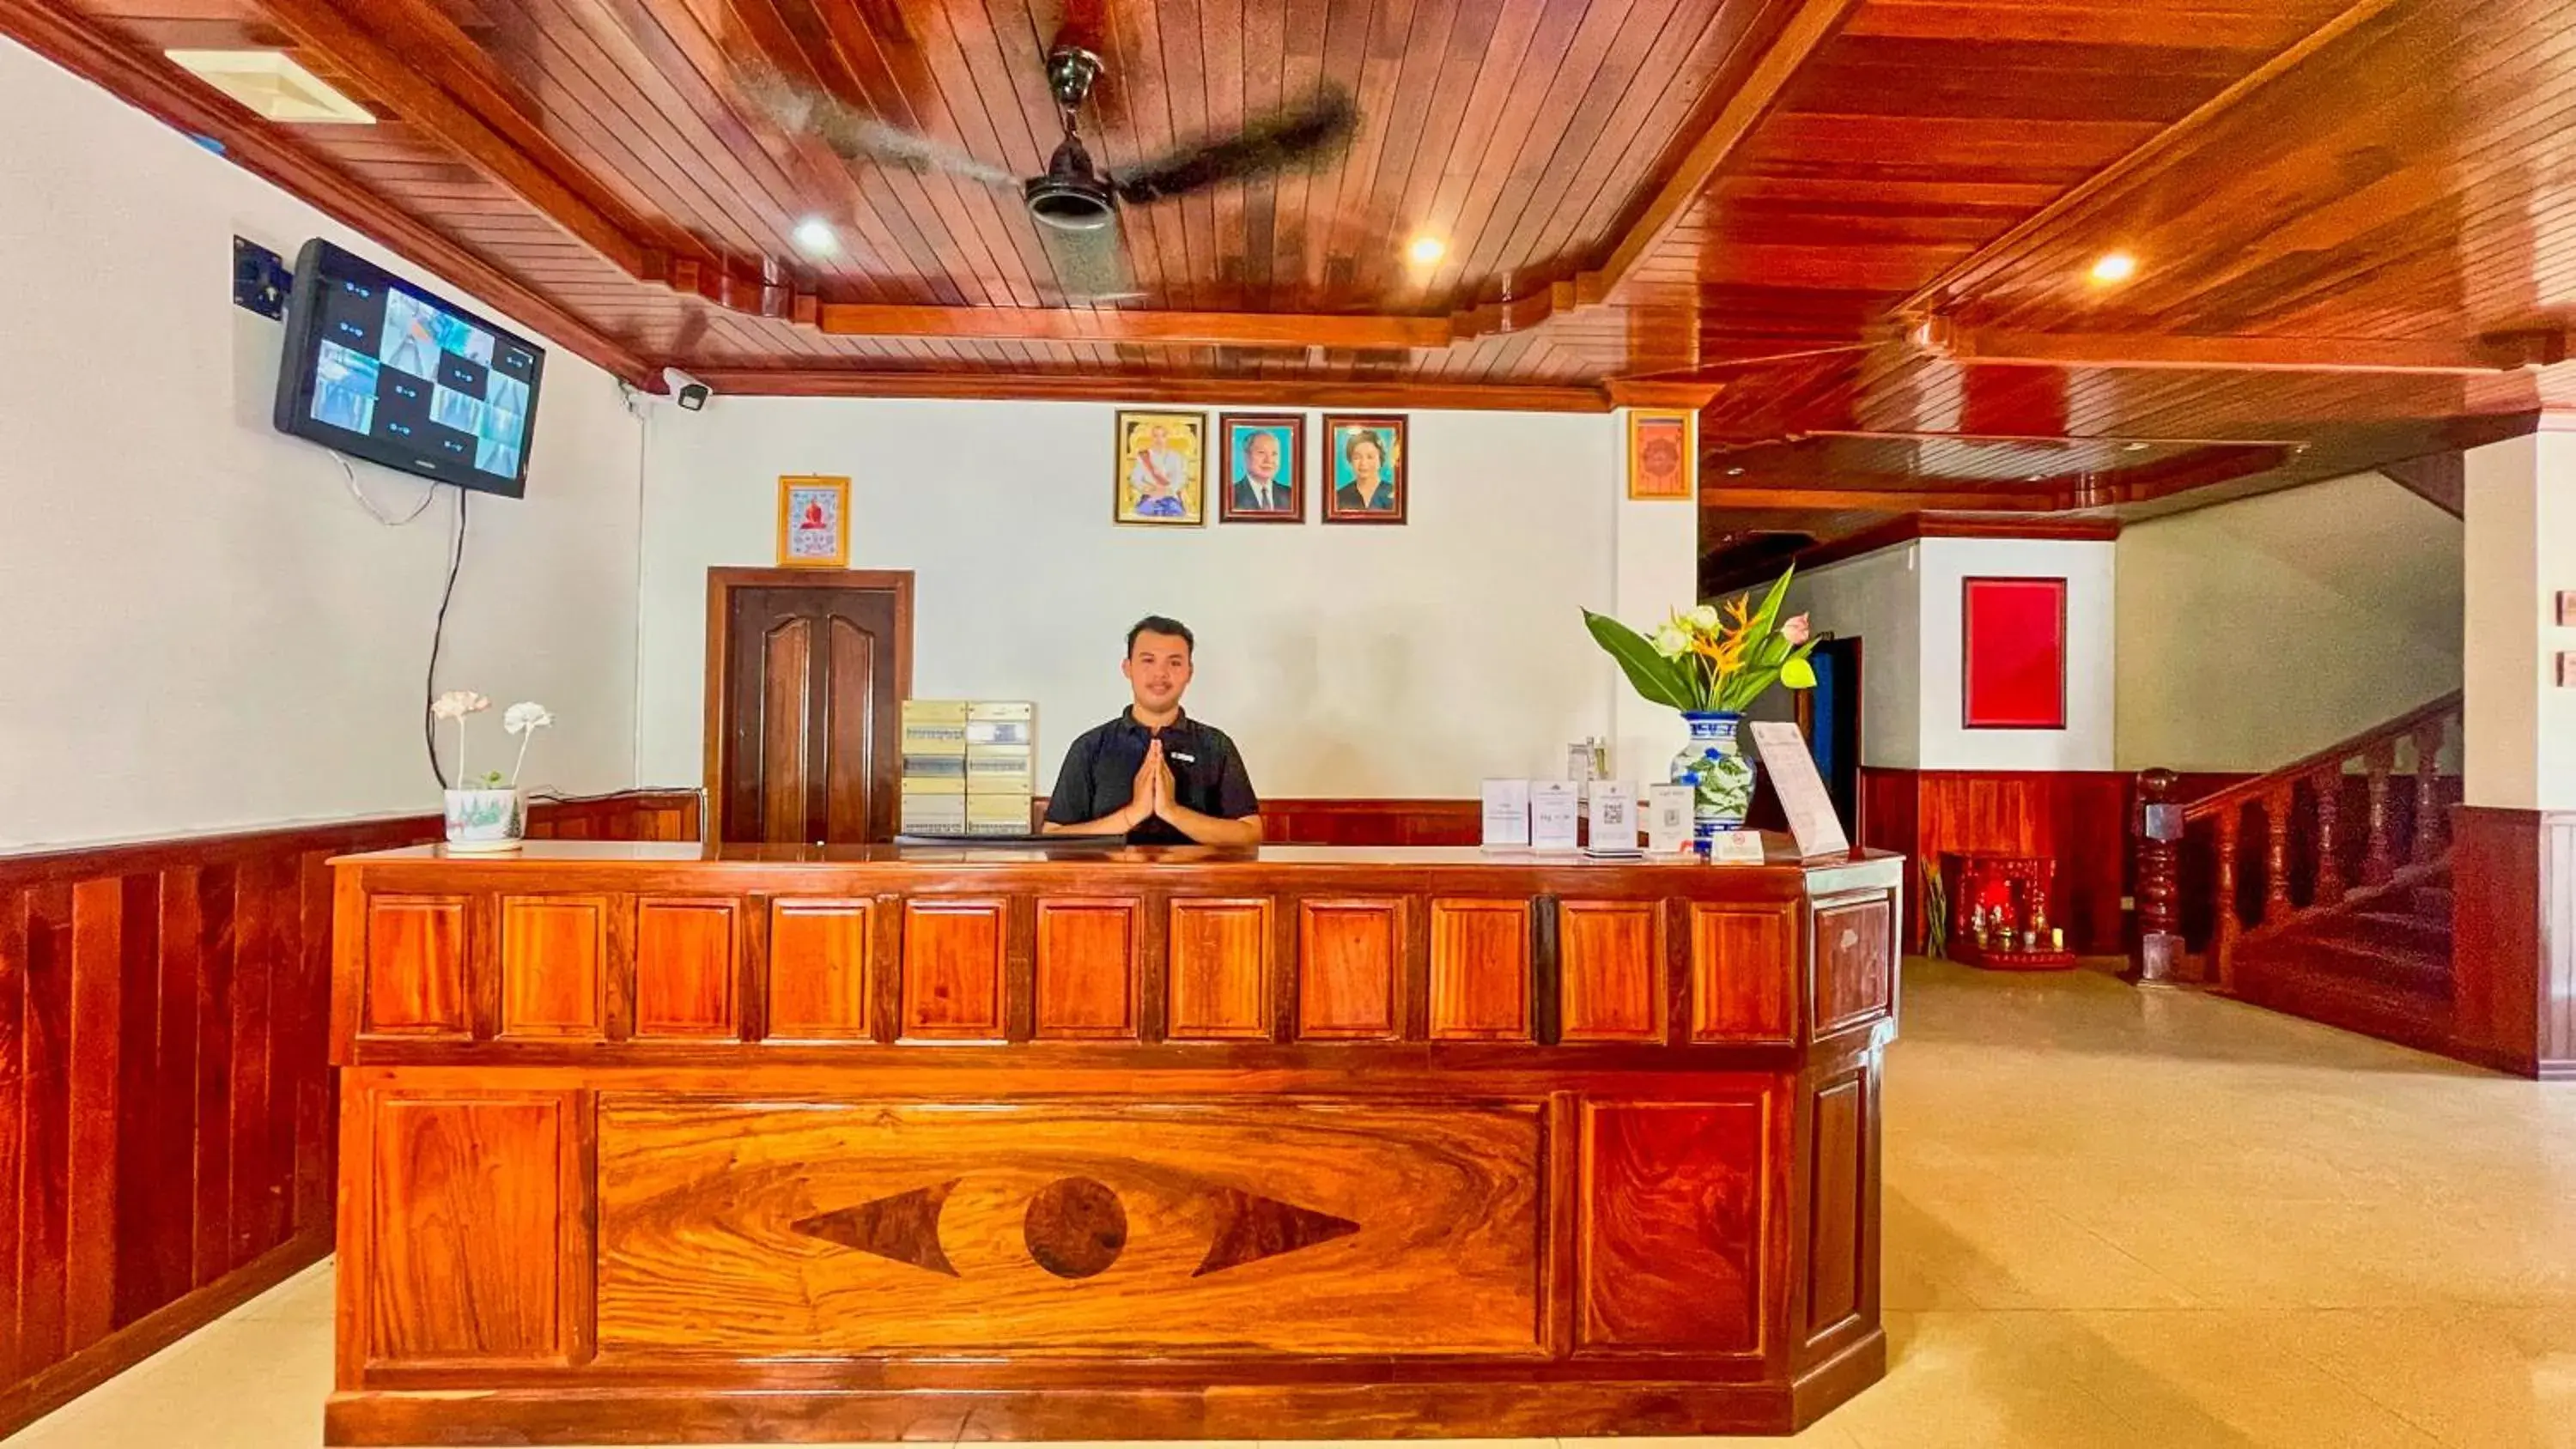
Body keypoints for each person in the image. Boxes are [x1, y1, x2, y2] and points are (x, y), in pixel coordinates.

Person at [1043, 615, 1262, 845]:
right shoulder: (1090, 747)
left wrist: (1172, 811)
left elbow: (1251, 834)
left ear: (1189, 672)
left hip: (1194, 881)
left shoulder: (1216, 745)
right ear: (1128, 668)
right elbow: (1053, 837)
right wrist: (1134, 813)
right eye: (1148, 661)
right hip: (1109, 881)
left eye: (1174, 663)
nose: (1160, 673)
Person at [1127, 423, 1190, 518]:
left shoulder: (1176, 457)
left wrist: (1167, 490)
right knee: (1141, 513)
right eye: (1155, 436)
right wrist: (1148, 489)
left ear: (1166, 438)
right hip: (1150, 497)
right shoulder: (1144, 456)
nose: (1159, 439)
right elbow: (1135, 478)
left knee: (1176, 514)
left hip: (1170, 497)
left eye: (1162, 436)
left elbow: (1181, 478)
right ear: (1152, 438)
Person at [1230, 427, 1294, 514]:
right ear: (1246, 456)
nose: (1269, 460)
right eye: (1261, 452)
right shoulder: (1230, 495)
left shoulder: (1291, 494)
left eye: (1274, 454)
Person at [1334, 429, 1395, 512]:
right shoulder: (1338, 497)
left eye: (1370, 457)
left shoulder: (1395, 494)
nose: (1363, 463)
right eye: (1357, 457)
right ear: (1350, 461)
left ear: (1380, 460)